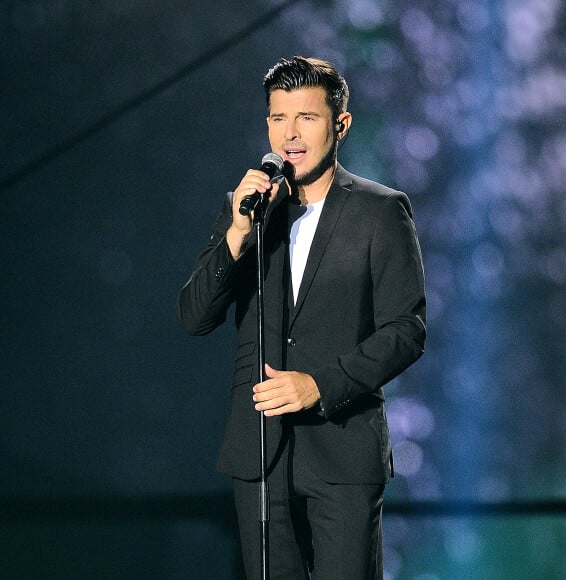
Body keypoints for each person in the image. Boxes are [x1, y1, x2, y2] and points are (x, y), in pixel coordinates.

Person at [177, 56, 426, 580]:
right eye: (277, 118)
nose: (289, 135)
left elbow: (406, 330)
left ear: (341, 123)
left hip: (343, 448)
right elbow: (194, 316)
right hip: (259, 455)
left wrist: (320, 384)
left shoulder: (380, 211)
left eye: (306, 118)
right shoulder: (245, 209)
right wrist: (237, 236)